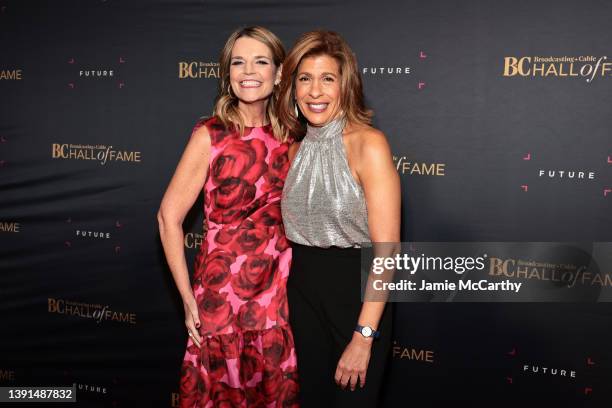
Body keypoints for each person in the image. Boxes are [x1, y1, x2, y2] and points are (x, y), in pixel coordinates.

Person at [157, 26, 299, 407]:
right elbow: (168, 217)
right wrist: (187, 299)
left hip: (278, 300)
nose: (248, 71)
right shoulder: (211, 134)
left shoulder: (296, 137)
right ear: (227, 72)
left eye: (260, 61)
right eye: (238, 62)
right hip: (220, 301)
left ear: (280, 72)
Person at [278, 30, 401, 407]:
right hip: (302, 292)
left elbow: (388, 252)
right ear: (292, 88)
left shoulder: (369, 144)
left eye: (327, 78)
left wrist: (364, 335)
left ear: (344, 85)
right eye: (305, 78)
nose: (315, 91)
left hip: (356, 295)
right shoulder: (293, 147)